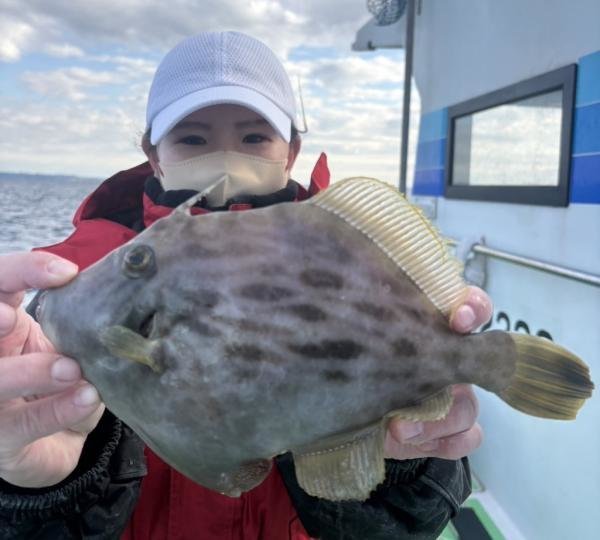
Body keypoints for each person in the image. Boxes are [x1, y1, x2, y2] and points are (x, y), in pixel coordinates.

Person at [0, 31, 491, 539]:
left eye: (254, 138)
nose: (226, 156)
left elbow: (403, 526)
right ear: (154, 154)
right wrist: (27, 488)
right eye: (193, 139)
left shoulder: (354, 260)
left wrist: (407, 458)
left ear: (291, 151)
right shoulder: (72, 285)